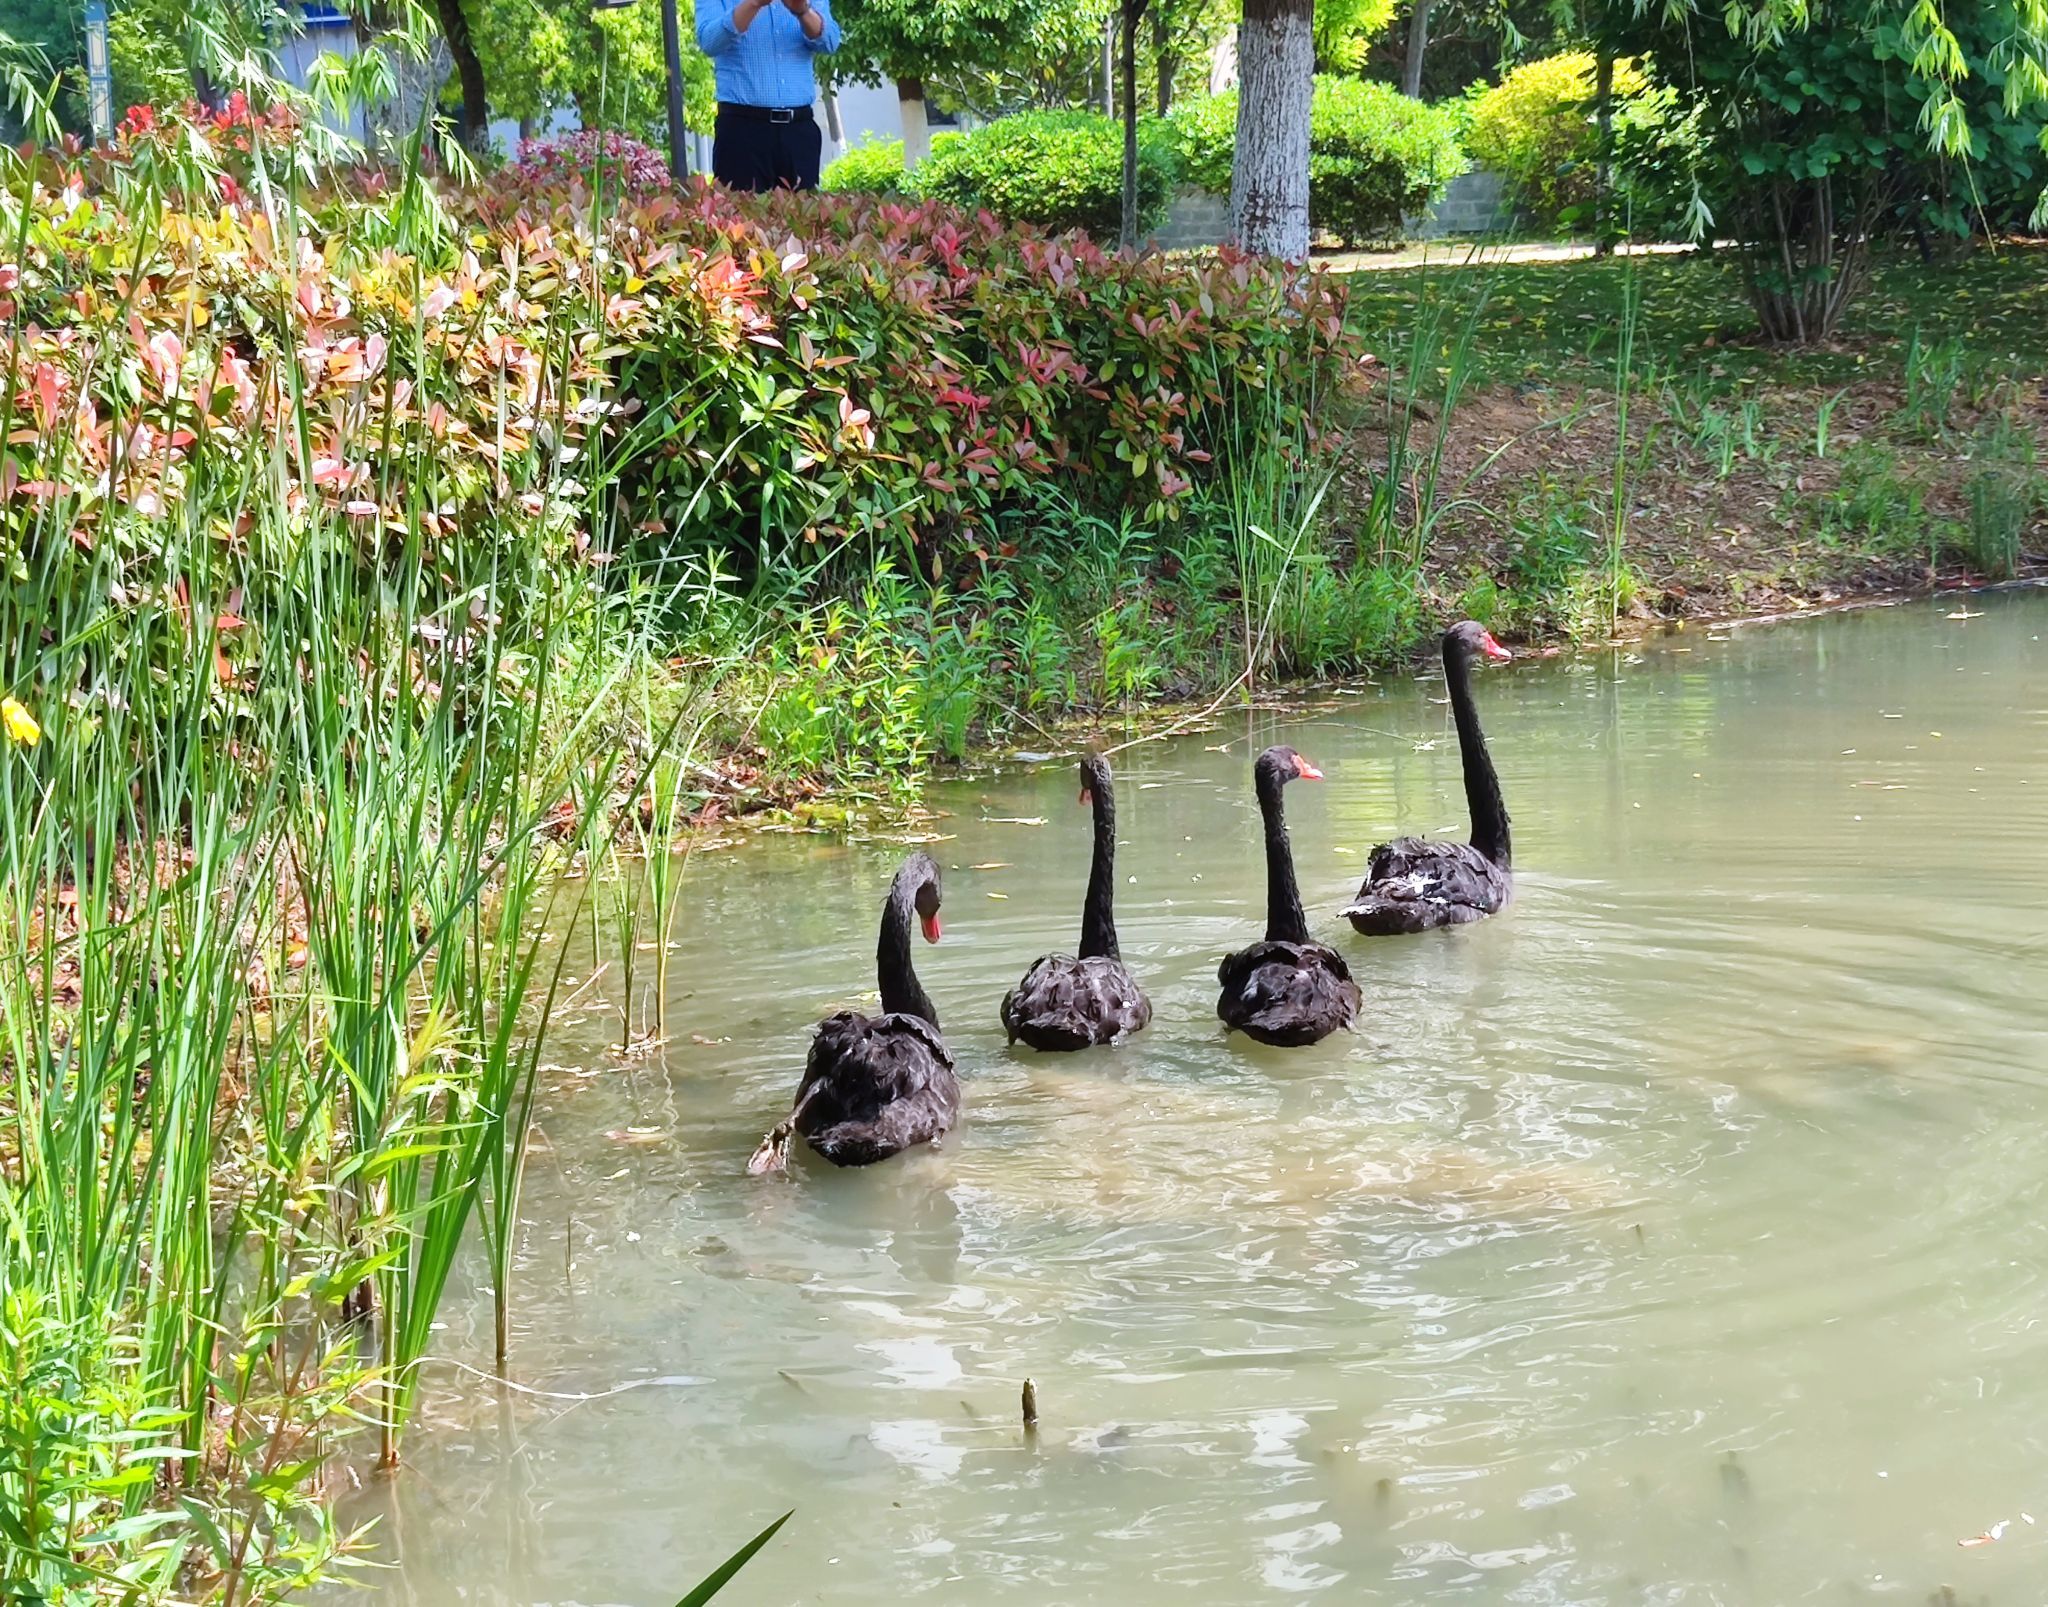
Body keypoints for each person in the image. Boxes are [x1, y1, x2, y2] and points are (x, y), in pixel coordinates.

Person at [694, 0, 842, 193]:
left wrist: (803, 12)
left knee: (803, 219)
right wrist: (753, 4)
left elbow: (830, 41)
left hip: (799, 131)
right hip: (742, 132)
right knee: (742, 218)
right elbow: (709, 42)